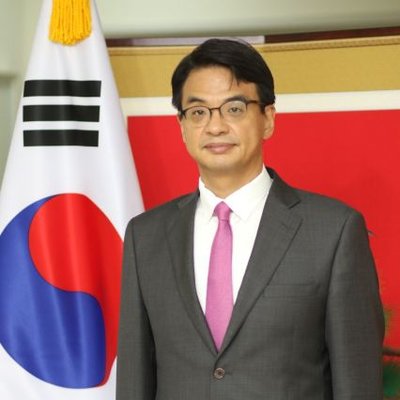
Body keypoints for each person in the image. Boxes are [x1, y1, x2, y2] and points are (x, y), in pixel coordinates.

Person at [116, 38, 384, 400]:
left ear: (267, 119)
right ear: (182, 126)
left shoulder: (333, 232)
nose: (215, 127)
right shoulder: (145, 236)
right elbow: (134, 382)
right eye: (198, 112)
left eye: (234, 108)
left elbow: (357, 385)